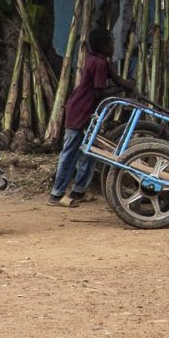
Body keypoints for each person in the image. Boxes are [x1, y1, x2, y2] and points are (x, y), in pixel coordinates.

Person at [51, 25, 115, 207]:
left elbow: (116, 79)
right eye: (111, 43)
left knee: (90, 151)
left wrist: (128, 86)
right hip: (80, 111)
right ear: (104, 47)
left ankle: (78, 190)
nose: (113, 47)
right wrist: (120, 90)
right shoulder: (100, 63)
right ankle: (56, 194)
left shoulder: (97, 59)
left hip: (85, 111)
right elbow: (98, 93)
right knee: (70, 152)